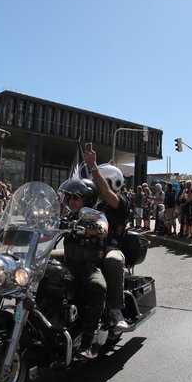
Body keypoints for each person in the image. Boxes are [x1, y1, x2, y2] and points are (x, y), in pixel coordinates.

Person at [58, 175, 110, 360]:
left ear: (87, 200)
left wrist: (91, 229)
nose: (71, 201)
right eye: (69, 197)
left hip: (88, 266)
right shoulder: (67, 216)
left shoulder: (93, 214)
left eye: (76, 197)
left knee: (98, 287)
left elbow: (103, 227)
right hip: (69, 263)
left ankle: (87, 343)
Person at [83, 143, 131, 333]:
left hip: (110, 248)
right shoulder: (93, 205)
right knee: (53, 257)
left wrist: (93, 167)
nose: (95, 185)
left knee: (113, 261)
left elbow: (105, 192)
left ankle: (115, 310)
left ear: (114, 182)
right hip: (87, 248)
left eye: (100, 181)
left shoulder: (120, 202)